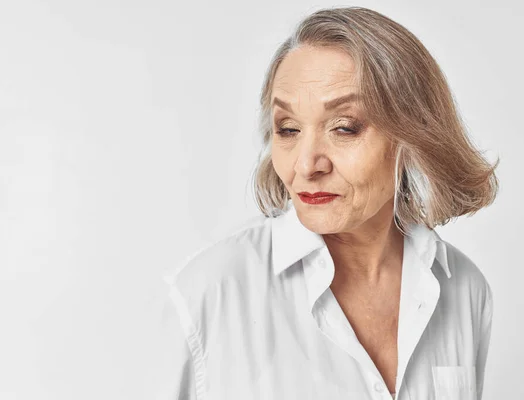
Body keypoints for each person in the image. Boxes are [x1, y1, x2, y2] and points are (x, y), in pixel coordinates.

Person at [156, 6, 499, 400]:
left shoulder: (465, 289)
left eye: (344, 128)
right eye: (288, 129)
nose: (306, 164)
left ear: (413, 135)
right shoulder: (209, 293)